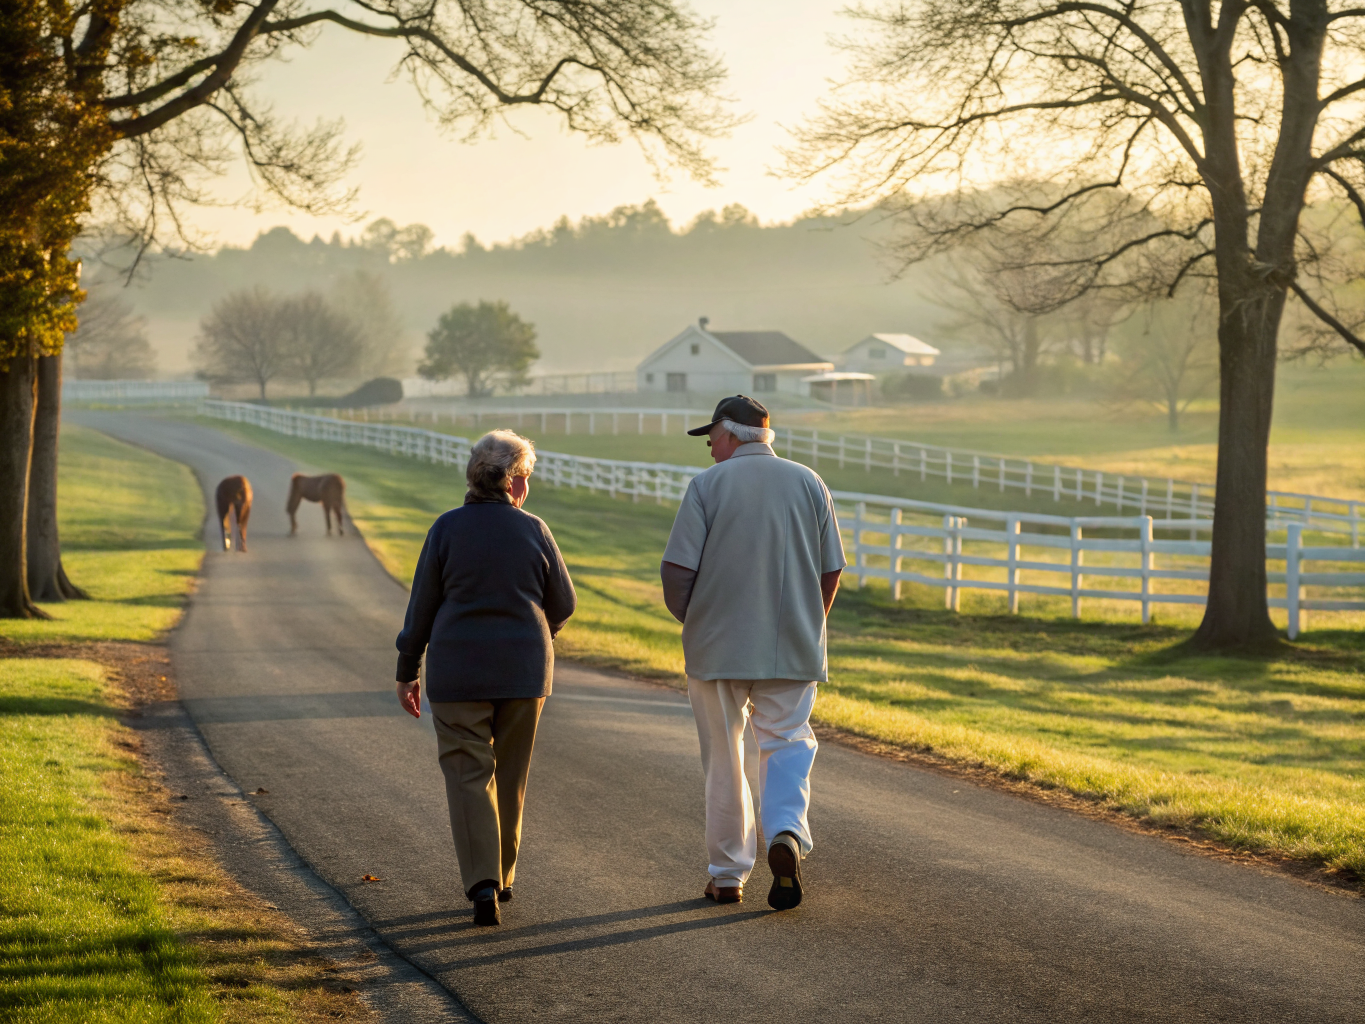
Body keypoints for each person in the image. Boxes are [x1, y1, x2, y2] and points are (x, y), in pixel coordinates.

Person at [660, 395, 845, 910]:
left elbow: (677, 570)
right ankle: (785, 831)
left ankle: (727, 874)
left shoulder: (707, 487)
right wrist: (811, 620)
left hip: (718, 647)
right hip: (793, 643)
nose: (709, 450)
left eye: (711, 439)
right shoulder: (810, 482)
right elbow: (832, 569)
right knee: (786, 741)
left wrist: (694, 620)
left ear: (730, 434)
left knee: (724, 754)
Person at [395, 429, 576, 927]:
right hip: (524, 673)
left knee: (468, 776)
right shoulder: (534, 530)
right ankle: (505, 875)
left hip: (457, 674)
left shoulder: (445, 529)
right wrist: (539, 632)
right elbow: (564, 603)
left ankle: (482, 883)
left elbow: (421, 609)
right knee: (511, 778)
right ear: (514, 483)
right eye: (528, 478)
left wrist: (407, 670)